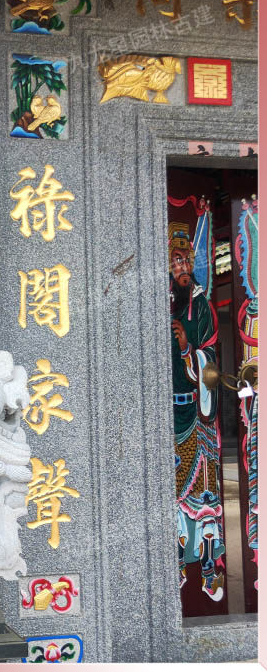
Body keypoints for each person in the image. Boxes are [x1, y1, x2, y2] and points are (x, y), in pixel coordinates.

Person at [169, 222, 225, 602]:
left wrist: (189, 349)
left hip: (197, 411)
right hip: (168, 414)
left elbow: (211, 358)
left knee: (203, 493)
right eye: (175, 262)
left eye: (186, 260)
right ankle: (175, 565)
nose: (182, 268)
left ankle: (208, 569)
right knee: (172, 494)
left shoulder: (201, 304)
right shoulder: (163, 304)